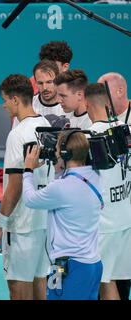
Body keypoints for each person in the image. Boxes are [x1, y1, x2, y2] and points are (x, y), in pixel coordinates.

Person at [0, 74, 52, 300]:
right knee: (39, 281)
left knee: (18, 288)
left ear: (15, 99)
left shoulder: (17, 134)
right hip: (43, 221)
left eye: (5, 100)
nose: (4, 105)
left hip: (21, 225)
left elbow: (15, 185)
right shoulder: (45, 124)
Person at [22, 131, 103, 300]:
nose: (55, 153)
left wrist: (28, 170)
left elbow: (29, 199)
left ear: (65, 154)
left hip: (69, 267)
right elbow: (69, 183)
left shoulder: (61, 188)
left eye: (58, 150)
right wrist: (60, 168)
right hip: (91, 264)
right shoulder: (95, 176)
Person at [85, 83, 131, 300]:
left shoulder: (91, 137)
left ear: (87, 104)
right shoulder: (125, 129)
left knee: (104, 281)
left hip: (103, 225)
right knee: (114, 279)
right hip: (125, 219)